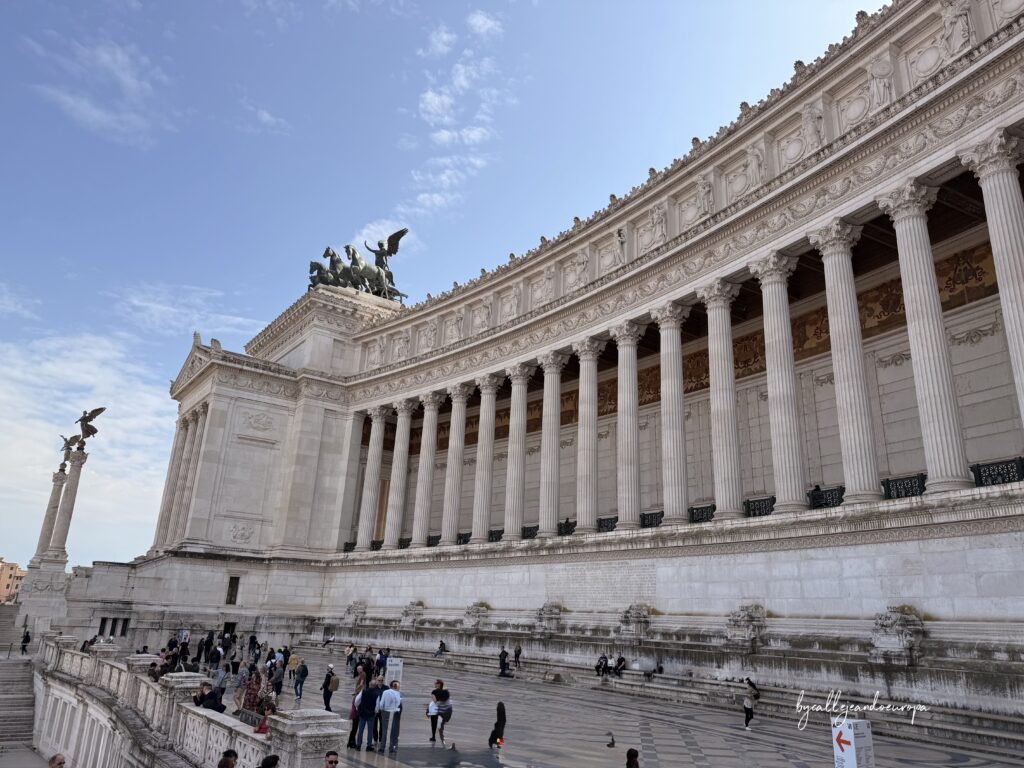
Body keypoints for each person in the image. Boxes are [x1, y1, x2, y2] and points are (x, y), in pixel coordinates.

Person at [354, 677, 383, 750]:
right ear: (375, 685)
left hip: (362, 713)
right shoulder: (377, 694)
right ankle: (369, 745)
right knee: (370, 730)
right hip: (371, 714)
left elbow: (357, 701)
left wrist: (358, 708)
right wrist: (375, 712)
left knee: (360, 730)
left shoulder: (363, 692)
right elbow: (377, 706)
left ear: (369, 685)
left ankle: (358, 745)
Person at [377, 680, 402, 753]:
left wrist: (382, 710)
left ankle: (382, 747)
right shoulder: (397, 693)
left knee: (384, 730)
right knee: (393, 730)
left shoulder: (385, 692)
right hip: (394, 711)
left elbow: (381, 703)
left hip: (386, 711)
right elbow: (398, 703)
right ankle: (391, 747)